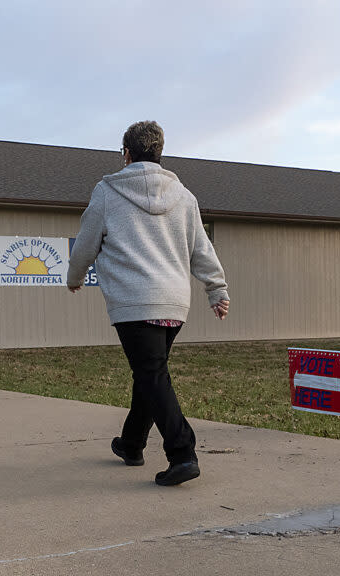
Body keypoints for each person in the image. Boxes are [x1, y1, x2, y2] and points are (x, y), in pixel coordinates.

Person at [67, 121, 230, 486]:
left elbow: (86, 241)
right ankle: (131, 443)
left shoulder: (107, 191)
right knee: (149, 373)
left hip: (133, 302)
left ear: (126, 153)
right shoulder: (185, 197)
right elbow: (200, 248)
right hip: (174, 304)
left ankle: (182, 453)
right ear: (159, 152)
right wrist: (216, 289)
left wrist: (74, 278)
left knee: (152, 374)